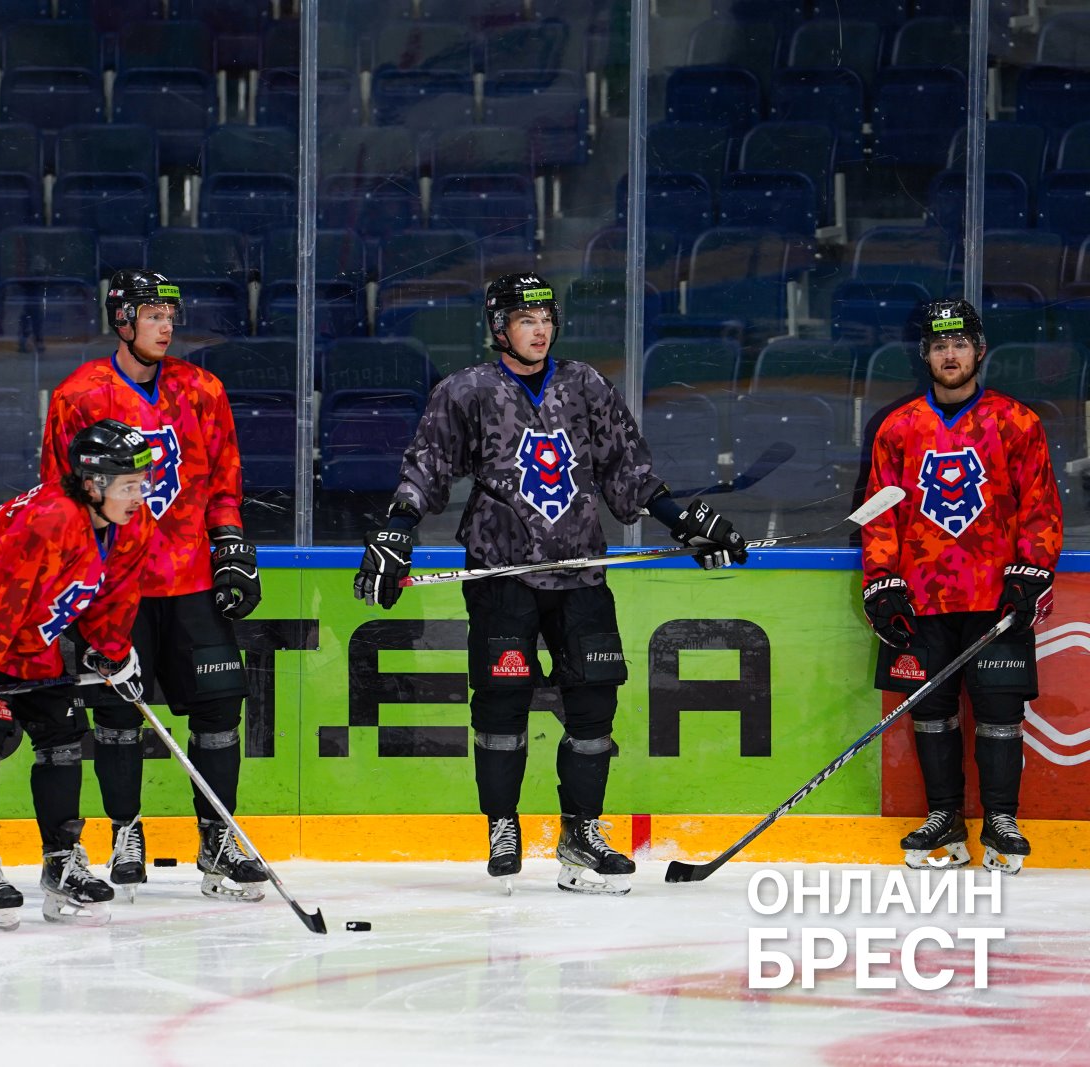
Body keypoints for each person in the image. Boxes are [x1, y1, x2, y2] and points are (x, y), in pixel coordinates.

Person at [353, 273, 748, 895]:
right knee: (502, 704)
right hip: (501, 575)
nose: (539, 330)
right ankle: (504, 823)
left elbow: (629, 472)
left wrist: (687, 522)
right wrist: (397, 530)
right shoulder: (467, 391)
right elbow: (426, 468)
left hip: (579, 571)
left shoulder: (584, 384)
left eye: (545, 319)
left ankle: (581, 831)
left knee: (594, 706)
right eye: (524, 319)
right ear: (499, 327)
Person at [41, 268, 267, 903]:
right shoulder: (79, 396)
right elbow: (59, 495)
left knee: (221, 707)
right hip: (120, 585)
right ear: (122, 321)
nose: (166, 324)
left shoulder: (202, 389)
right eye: (151, 314)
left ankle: (219, 839)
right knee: (117, 712)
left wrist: (230, 545)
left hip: (192, 577)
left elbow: (224, 475)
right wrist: (74, 577)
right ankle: (126, 830)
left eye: (171, 312)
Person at [0, 418, 154, 928]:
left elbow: (112, 593)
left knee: (63, 734)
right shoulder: (50, 518)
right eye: (130, 485)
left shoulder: (132, 523)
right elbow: (1, 593)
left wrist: (112, 652)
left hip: (28, 631)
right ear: (93, 485)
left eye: (144, 482)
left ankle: (62, 863)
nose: (141, 495)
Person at [861, 299, 1061, 875]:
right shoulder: (898, 429)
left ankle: (1001, 818)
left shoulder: (1017, 422)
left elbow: (1040, 508)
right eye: (939, 345)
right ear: (925, 355)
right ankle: (944, 816)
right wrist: (882, 581)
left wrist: (1033, 570)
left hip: (996, 596)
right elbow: (880, 514)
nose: (950, 354)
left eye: (960, 343)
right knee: (931, 711)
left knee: (1001, 711)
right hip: (923, 598)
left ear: (979, 350)